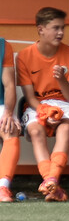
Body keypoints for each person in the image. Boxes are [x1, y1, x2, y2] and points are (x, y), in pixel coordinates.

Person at [16, 7, 69, 202]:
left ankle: (50, 180)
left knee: (65, 129)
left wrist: (61, 79)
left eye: (62, 28)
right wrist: (45, 111)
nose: (61, 33)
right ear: (41, 29)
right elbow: (29, 97)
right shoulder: (25, 56)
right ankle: (53, 184)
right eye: (55, 28)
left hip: (65, 103)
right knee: (36, 131)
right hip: (37, 105)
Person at [0, 36, 20, 202]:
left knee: (10, 129)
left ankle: (3, 187)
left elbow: (9, 85)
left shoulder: (3, 46)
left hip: (0, 104)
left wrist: (8, 112)